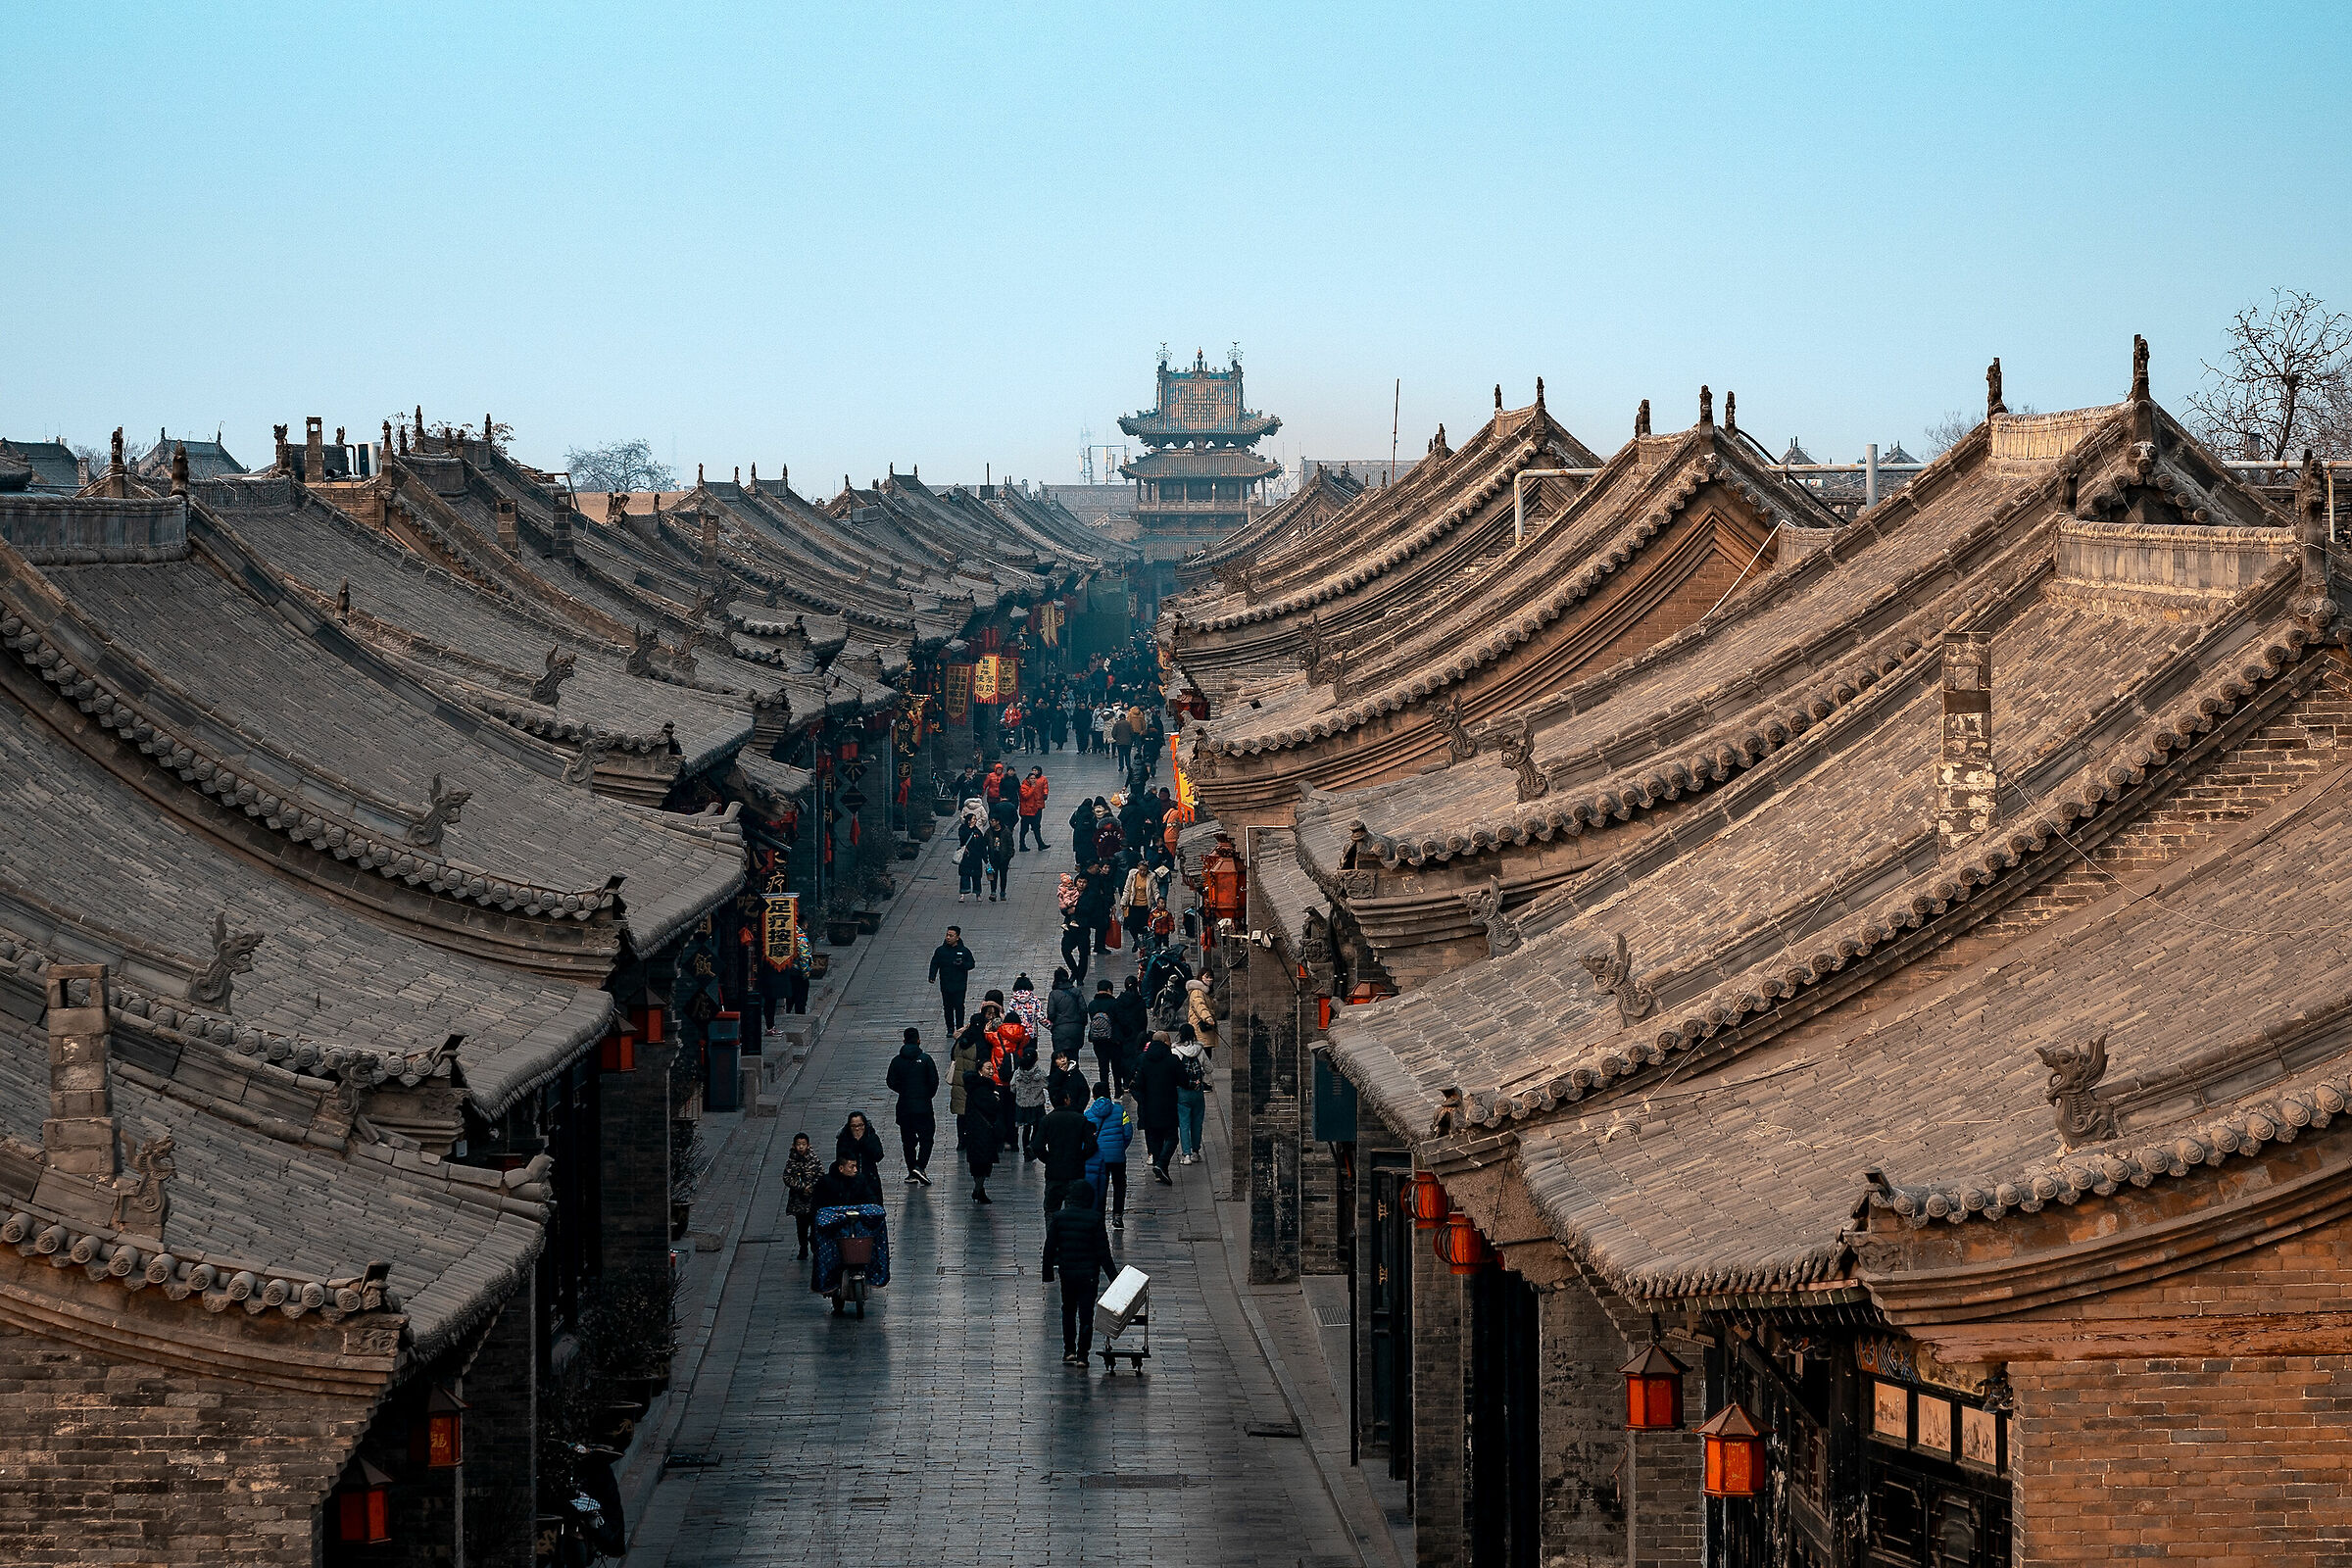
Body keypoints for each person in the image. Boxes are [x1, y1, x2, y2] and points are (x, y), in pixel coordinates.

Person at [1041, 1179, 1116, 1367]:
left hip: (1067, 1273)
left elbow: (1049, 1248)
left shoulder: (1059, 1217)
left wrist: (1048, 1273)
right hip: (1089, 1275)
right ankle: (1083, 1355)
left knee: (1068, 1310)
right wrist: (1115, 1278)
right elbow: (1103, 1252)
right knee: (1086, 1314)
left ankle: (1069, 1350)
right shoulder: (1095, 1218)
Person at [885, 1027, 939, 1184]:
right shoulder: (926, 1059)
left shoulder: (896, 1061)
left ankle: (911, 1171)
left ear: (904, 1041)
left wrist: (904, 1090)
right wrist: (926, 1095)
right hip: (923, 1107)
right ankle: (920, 1166)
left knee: (908, 1141)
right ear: (918, 1040)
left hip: (904, 1107)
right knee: (927, 1138)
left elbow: (890, 1081)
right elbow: (934, 1081)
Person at [1037, 1084, 1094, 1216]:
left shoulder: (1047, 1120)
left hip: (1054, 1172)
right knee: (1073, 1209)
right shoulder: (1080, 1119)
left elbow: (1037, 1146)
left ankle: (1052, 1235)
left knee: (1051, 1210)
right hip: (1075, 1171)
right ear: (1066, 1101)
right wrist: (1081, 1158)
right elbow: (1091, 1145)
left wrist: (1049, 1159)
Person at [1132, 1032, 1182, 1183]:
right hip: (1168, 1105)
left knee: (1156, 1138)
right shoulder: (1172, 1060)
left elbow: (1136, 1084)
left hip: (1149, 1107)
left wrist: (1142, 1100)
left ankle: (1160, 1169)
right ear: (1166, 1042)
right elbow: (1183, 1079)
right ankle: (1161, 1164)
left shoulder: (1143, 1060)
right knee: (1172, 1137)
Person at [1084, 1080, 1133, 1228]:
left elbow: (1085, 1138)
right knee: (1119, 1185)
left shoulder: (1088, 1114)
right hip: (1118, 1157)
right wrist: (1120, 1147)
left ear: (1094, 1096)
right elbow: (1128, 1133)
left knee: (1101, 1186)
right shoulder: (1120, 1110)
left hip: (1099, 1158)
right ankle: (1117, 1216)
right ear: (1109, 1094)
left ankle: (1099, 1215)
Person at [962, 1062, 1005, 1204]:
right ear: (980, 1071)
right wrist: (996, 1100)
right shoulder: (982, 1089)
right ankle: (978, 1189)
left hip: (975, 1130)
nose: (991, 1071)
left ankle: (979, 1189)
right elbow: (991, 1107)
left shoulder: (974, 1087)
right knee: (983, 1163)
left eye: (992, 1068)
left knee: (979, 1163)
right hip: (983, 1131)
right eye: (988, 1068)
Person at [928, 926, 975, 1030]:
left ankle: (959, 1027)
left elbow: (971, 964)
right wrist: (932, 976)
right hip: (946, 984)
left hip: (960, 985)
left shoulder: (964, 951)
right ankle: (950, 1028)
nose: (948, 938)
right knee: (947, 1007)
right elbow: (934, 963)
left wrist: (962, 964)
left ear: (957, 937)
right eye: (947, 935)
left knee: (959, 1006)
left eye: (951, 935)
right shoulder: (940, 951)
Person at [783, 1132, 822, 1258]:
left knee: (815, 1226)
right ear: (794, 1146)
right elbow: (787, 1177)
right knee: (801, 1227)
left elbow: (820, 1174)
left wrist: (811, 1187)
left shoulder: (814, 1159)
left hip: (813, 1200)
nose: (801, 1147)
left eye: (803, 1144)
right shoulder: (791, 1161)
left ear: (808, 1145)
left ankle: (815, 1247)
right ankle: (803, 1248)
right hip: (798, 1201)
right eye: (798, 1144)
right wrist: (801, 1187)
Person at [1174, 1034, 1210, 1163]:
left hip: (1182, 1091)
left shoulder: (1175, 1051)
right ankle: (1196, 1151)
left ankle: (1186, 1154)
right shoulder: (1200, 1050)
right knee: (1197, 1122)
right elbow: (1209, 1069)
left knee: (1184, 1124)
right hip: (1197, 1091)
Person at [1010, 1044, 1049, 1161]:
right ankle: (1032, 1145)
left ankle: (1026, 1151)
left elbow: (1012, 1087)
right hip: (1037, 1105)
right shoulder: (1040, 1073)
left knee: (1025, 1129)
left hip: (1023, 1105)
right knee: (1037, 1127)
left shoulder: (1018, 1073)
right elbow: (1047, 1085)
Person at [949, 1018, 984, 1146]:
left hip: (959, 1082)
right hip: (973, 1083)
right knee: (973, 1113)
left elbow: (952, 1056)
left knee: (961, 1114)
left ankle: (961, 1141)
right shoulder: (979, 1044)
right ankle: (970, 1138)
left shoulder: (960, 1041)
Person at [1085, 979, 1123, 1095]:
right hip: (1113, 1040)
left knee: (1103, 1067)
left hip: (1098, 1040)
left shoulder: (1092, 1005)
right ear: (1109, 990)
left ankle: (1105, 1090)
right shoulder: (1115, 1003)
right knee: (1116, 1066)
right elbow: (1120, 1020)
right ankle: (1117, 1089)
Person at [1047, 967, 1085, 1062]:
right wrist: (1081, 1024)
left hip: (1060, 1030)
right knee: (1074, 1058)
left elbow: (1051, 1014)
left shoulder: (1053, 994)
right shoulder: (1076, 992)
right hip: (1076, 1029)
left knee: (1061, 1059)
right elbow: (1083, 1009)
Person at [835, 1111, 885, 1180]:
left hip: (870, 1177)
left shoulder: (871, 1137)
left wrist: (864, 1141)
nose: (857, 1129)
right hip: (849, 1178)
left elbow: (878, 1156)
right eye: (853, 1126)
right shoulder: (844, 1139)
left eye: (860, 1125)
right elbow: (841, 1158)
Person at [1120, 860, 1152, 953]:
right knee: (1132, 925)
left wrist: (1158, 900)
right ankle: (1136, 940)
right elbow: (1127, 889)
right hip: (1133, 904)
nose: (1142, 872)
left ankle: (1140, 942)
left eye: (1144, 870)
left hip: (1145, 905)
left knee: (1143, 926)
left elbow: (1155, 890)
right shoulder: (1132, 875)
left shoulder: (1151, 877)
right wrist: (1123, 901)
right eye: (1141, 870)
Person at [1017, 767, 1050, 851]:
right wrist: (1032, 788)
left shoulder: (1039, 782)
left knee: (1036, 828)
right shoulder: (1024, 787)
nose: (1033, 780)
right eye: (1031, 778)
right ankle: (1022, 845)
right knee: (1024, 830)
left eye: (1034, 778)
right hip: (1026, 811)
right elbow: (1026, 796)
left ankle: (1040, 844)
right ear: (1028, 779)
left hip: (1033, 810)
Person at [984, 817, 1014, 902]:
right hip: (993, 857)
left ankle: (1002, 892)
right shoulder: (989, 832)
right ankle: (993, 892)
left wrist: (1009, 856)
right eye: (990, 821)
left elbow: (1010, 844)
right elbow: (984, 843)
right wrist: (985, 856)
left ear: (998, 822)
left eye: (993, 821)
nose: (991, 822)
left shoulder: (1006, 831)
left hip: (1004, 858)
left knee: (1003, 875)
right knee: (992, 875)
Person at [956, 824, 987, 902]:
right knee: (964, 875)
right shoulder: (963, 829)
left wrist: (985, 858)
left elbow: (982, 845)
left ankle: (978, 894)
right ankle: (962, 894)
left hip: (976, 858)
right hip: (966, 857)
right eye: (973, 819)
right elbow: (962, 839)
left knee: (977, 877)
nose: (974, 821)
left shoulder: (977, 831)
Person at [1067, 797, 1096, 870]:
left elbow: (1071, 822)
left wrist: (1076, 828)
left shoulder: (1077, 812)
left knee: (1079, 850)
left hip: (1079, 834)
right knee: (1090, 849)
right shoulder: (1092, 814)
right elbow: (1095, 824)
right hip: (1089, 834)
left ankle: (1079, 864)